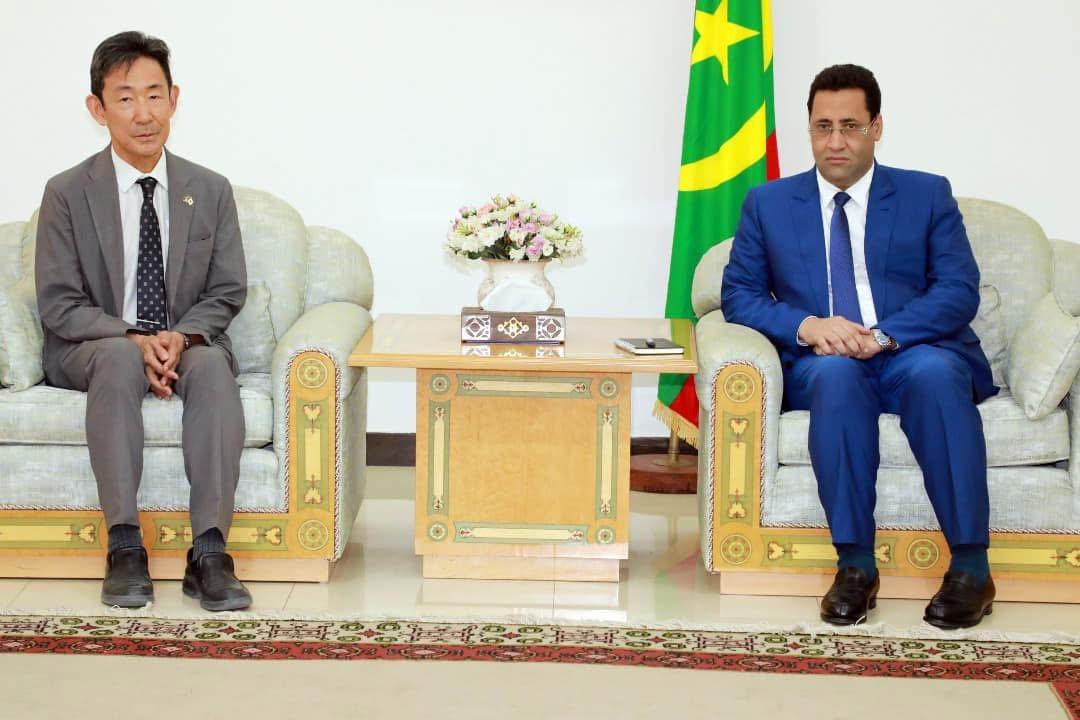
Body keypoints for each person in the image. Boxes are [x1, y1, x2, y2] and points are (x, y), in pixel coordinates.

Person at [721, 64, 997, 629]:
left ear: (876, 127)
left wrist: (883, 336)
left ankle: (971, 568)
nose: (836, 141)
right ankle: (855, 566)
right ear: (809, 129)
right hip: (825, 360)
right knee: (836, 379)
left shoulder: (925, 194)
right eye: (823, 127)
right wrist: (807, 325)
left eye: (850, 126)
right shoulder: (768, 203)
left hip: (910, 349)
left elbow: (957, 289)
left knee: (936, 376)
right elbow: (738, 294)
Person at [35, 31, 252, 611]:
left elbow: (227, 290)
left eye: (154, 95)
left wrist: (177, 337)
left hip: (186, 340)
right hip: (96, 343)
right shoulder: (67, 193)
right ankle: (125, 547)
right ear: (97, 108)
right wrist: (133, 339)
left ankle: (210, 553)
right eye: (125, 98)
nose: (143, 113)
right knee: (116, 357)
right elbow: (59, 303)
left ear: (174, 99)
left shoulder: (210, 190)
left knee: (212, 367)